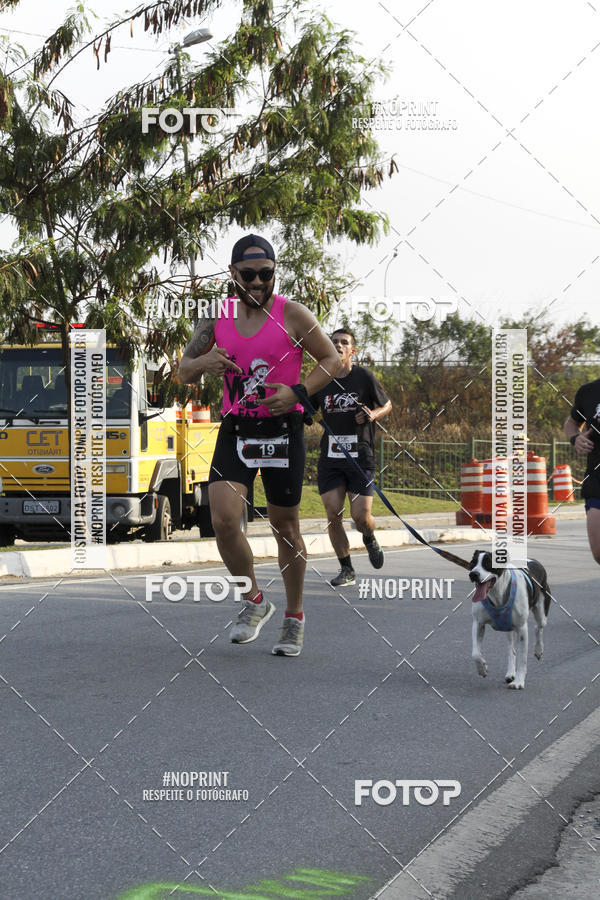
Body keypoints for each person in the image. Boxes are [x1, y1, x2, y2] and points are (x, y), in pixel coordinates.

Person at [178, 234, 340, 656]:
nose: (257, 282)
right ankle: (253, 601)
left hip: (283, 429)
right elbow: (183, 371)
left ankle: (294, 617)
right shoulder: (217, 319)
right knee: (225, 519)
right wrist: (203, 362)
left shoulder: (294, 314)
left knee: (285, 526)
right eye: (248, 274)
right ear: (233, 274)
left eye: (265, 274)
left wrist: (298, 393)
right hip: (237, 427)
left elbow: (331, 360)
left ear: (273, 273)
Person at [310, 328, 392, 586]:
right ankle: (347, 569)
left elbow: (387, 404)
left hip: (360, 456)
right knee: (333, 513)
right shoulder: (321, 379)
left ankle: (368, 536)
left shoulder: (363, 377)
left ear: (352, 351)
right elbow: (306, 405)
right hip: (331, 458)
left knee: (360, 517)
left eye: (344, 342)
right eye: (333, 341)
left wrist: (372, 414)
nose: (338, 345)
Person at [564, 378, 600, 564]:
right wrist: (575, 438)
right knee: (598, 552)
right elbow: (571, 423)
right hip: (596, 479)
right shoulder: (589, 391)